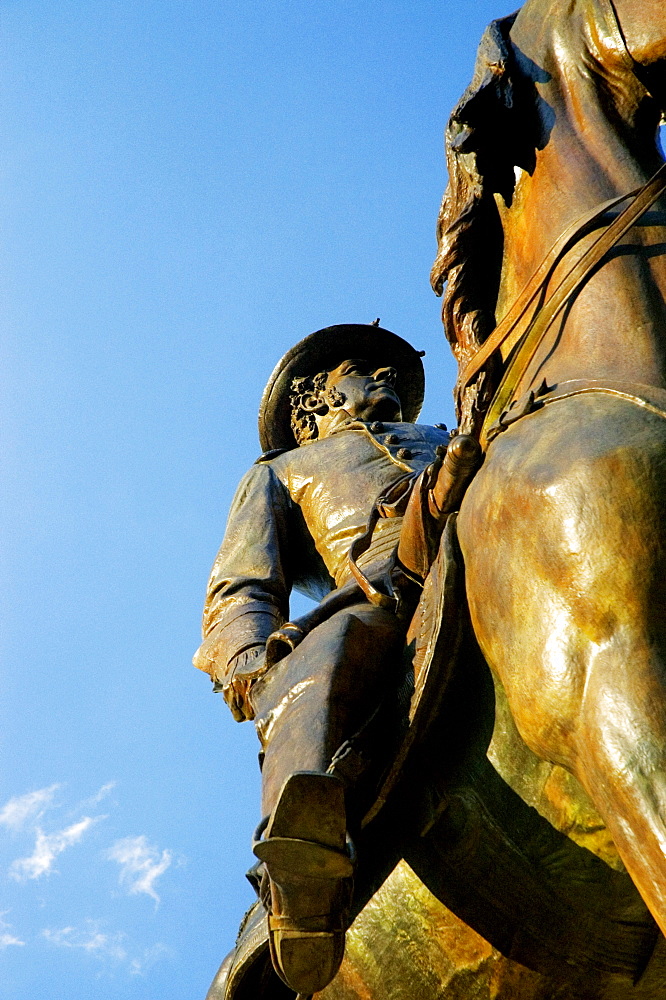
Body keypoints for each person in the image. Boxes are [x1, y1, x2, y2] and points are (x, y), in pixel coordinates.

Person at [193, 323, 479, 996]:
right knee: (333, 647)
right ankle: (300, 867)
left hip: (493, 513)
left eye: (387, 375)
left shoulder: (454, 432)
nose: (381, 381)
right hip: (388, 576)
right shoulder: (278, 473)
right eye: (361, 371)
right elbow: (242, 586)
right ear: (313, 402)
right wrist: (251, 665)